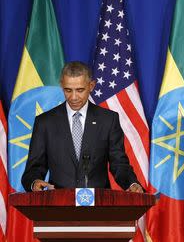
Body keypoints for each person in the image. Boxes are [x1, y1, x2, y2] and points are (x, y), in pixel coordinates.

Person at [22, 61, 143, 193]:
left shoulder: (108, 120)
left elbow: (119, 164)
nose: (73, 97)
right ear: (62, 86)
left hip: (99, 206)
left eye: (80, 90)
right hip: (58, 206)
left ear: (91, 86)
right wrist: (34, 182)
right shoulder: (45, 122)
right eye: (68, 90)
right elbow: (34, 169)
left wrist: (131, 183)